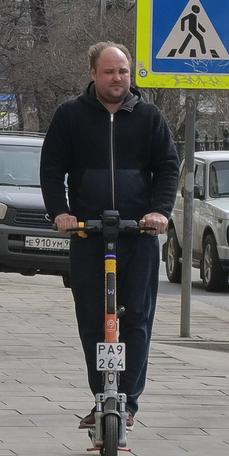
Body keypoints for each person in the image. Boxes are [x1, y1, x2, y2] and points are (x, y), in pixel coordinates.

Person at [41, 41, 178, 431]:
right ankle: (101, 396)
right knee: (92, 321)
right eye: (109, 72)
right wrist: (63, 213)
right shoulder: (70, 116)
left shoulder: (150, 117)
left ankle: (128, 402)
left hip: (138, 235)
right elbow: (52, 169)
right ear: (93, 74)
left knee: (136, 319)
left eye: (123, 71)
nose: (117, 79)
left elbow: (168, 168)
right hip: (89, 236)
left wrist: (160, 212)